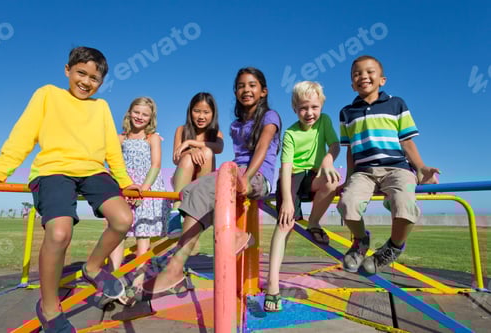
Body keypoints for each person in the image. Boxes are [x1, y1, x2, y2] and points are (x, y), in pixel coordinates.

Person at [0, 46, 140, 333]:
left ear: (101, 82)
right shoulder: (48, 94)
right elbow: (24, 134)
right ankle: (49, 308)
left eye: (94, 78)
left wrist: (123, 181)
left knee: (123, 218)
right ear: (67, 71)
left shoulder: (101, 107)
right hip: (53, 170)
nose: (86, 81)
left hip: (94, 171)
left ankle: (93, 268)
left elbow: (112, 148)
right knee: (59, 233)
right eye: (81, 73)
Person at [135, 67, 281, 301]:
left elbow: (262, 148)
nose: (246, 90)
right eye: (241, 86)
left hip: (257, 175)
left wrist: (245, 177)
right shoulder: (236, 125)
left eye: (252, 85)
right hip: (235, 171)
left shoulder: (269, 116)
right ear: (235, 91)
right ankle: (177, 268)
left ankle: (184, 262)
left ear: (263, 91)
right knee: (193, 190)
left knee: (205, 186)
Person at [337, 55, 440, 275]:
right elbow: (350, 150)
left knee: (404, 204)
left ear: (382, 80)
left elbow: (406, 141)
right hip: (363, 172)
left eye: (369, 71)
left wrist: (421, 168)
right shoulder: (347, 112)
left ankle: (393, 247)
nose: (363, 76)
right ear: (352, 84)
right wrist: (348, 179)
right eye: (357, 73)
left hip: (397, 168)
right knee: (347, 203)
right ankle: (361, 241)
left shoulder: (396, 104)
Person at [264, 81, 341, 312]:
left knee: (333, 179)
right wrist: (287, 200)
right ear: (296, 109)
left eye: (314, 107)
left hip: (315, 175)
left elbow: (335, 146)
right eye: (304, 108)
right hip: (293, 179)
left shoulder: (325, 122)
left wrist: (328, 159)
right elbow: (286, 169)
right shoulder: (290, 134)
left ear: (321, 106)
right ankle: (272, 285)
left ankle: (314, 223)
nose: (310, 113)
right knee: (284, 225)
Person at [108, 97, 171, 304]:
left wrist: (142, 190)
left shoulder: (152, 138)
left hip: (146, 189)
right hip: (124, 188)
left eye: (145, 114)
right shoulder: (120, 139)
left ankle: (138, 283)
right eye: (136, 112)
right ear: (129, 113)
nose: (140, 117)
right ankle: (115, 280)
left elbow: (156, 165)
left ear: (151, 118)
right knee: (118, 233)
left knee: (142, 238)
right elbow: (112, 164)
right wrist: (125, 187)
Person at [167, 92, 224, 241]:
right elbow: (175, 158)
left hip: (202, 183)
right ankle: (175, 212)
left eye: (206, 112)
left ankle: (198, 206)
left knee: (207, 152)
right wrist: (190, 151)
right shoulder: (182, 129)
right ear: (190, 111)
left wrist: (190, 143)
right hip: (182, 179)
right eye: (197, 111)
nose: (201, 116)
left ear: (213, 114)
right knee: (187, 158)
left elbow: (219, 148)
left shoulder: (216, 133)